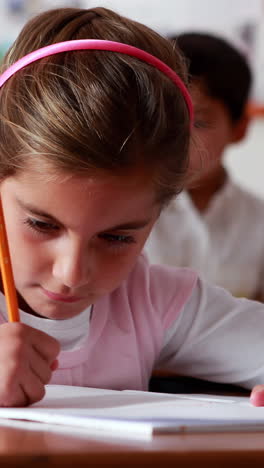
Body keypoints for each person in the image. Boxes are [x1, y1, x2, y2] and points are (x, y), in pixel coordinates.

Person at [0, 7, 264, 409]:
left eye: (117, 237)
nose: (71, 273)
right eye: (41, 224)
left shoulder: (151, 301)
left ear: (160, 212)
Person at [145, 33, 264, 300]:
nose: (177, 137)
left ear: (239, 128)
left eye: (199, 123)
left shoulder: (258, 222)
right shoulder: (119, 213)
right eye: (167, 117)